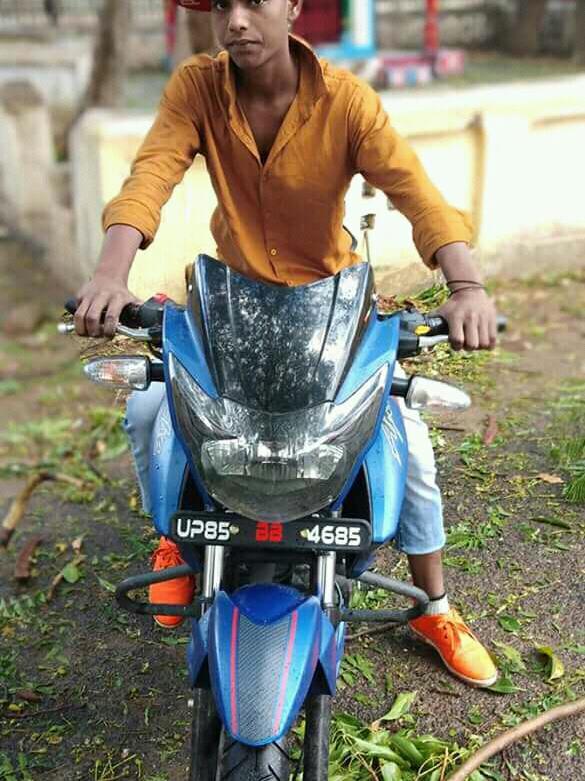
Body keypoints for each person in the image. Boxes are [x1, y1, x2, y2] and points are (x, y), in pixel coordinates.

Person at [74, 0, 499, 688]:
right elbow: (149, 176)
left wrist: (467, 286)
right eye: (224, 4)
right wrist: (108, 274)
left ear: (294, 6)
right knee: (152, 409)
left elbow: (415, 193)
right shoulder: (197, 87)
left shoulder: (346, 102)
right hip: (232, 305)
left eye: (257, 1)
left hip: (329, 310)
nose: (238, 20)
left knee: (409, 444)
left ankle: (434, 605)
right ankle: (177, 539)